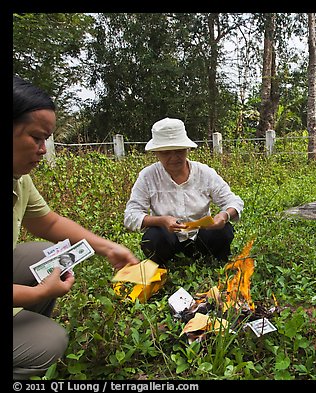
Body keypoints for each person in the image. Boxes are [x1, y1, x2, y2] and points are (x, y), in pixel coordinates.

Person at [13, 75, 140, 380]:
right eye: (36, 138)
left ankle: (23, 323)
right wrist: (38, 293)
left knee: (47, 257)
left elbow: (48, 221)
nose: (44, 149)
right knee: (49, 343)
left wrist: (107, 246)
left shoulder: (19, 178)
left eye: (46, 139)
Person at [124, 117, 244, 266]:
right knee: (154, 236)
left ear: (187, 149)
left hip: (201, 237)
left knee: (223, 230)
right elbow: (130, 215)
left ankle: (213, 262)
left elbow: (233, 201)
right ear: (156, 153)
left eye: (179, 151)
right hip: (169, 240)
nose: (174, 157)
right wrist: (162, 220)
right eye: (166, 152)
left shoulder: (204, 172)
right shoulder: (148, 176)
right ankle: (165, 265)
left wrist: (224, 215)